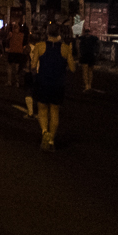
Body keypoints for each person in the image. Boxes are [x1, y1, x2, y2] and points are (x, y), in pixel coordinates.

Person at [31, 22, 76, 151]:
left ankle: (45, 132)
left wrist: (35, 73)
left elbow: (33, 66)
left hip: (43, 82)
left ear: (47, 33)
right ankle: (51, 140)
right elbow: (73, 68)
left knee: (42, 110)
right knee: (55, 112)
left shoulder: (40, 46)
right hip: (58, 83)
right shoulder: (65, 48)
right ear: (59, 33)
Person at [78, 26, 100, 92]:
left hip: (86, 56)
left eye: (87, 31)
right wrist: (98, 52)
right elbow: (99, 44)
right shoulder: (93, 38)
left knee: (86, 72)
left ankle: (87, 85)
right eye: (86, 31)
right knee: (89, 71)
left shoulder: (82, 38)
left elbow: (77, 43)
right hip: (90, 56)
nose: (87, 33)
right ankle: (88, 85)